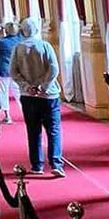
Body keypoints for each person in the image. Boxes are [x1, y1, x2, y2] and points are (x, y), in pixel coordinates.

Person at [10, 16, 65, 178]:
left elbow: (13, 72)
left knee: (33, 131)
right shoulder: (44, 46)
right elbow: (53, 68)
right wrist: (43, 85)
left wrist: (28, 86)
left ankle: (37, 165)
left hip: (28, 96)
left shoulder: (18, 48)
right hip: (48, 95)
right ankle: (56, 163)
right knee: (53, 130)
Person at [0, 21, 22, 124]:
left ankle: (7, 116)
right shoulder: (20, 40)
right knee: (18, 92)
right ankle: (27, 113)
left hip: (4, 70)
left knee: (3, 92)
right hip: (17, 70)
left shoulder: (2, 42)